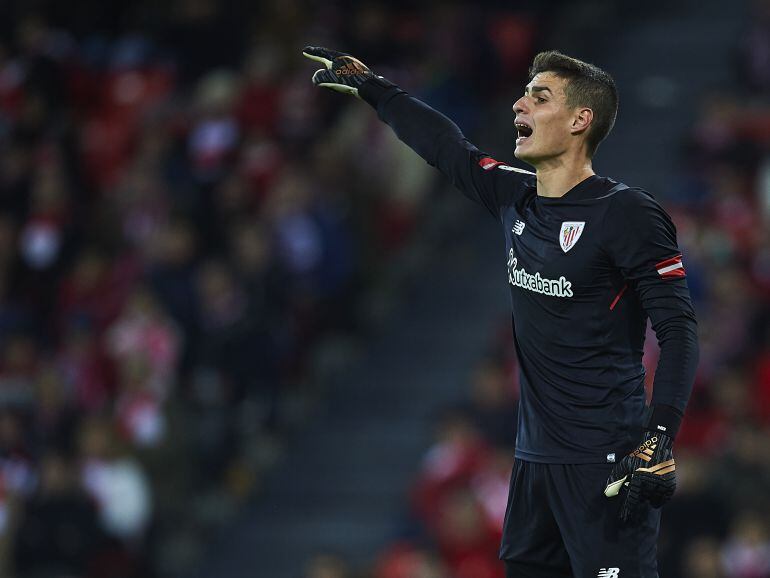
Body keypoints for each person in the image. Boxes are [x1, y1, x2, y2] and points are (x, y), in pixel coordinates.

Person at [302, 47, 699, 578]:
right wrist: (376, 88)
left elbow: (677, 328)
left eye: (539, 97)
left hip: (605, 464)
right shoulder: (518, 198)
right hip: (533, 464)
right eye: (522, 94)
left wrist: (660, 436)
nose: (519, 105)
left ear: (581, 120)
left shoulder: (625, 214)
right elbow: (449, 150)